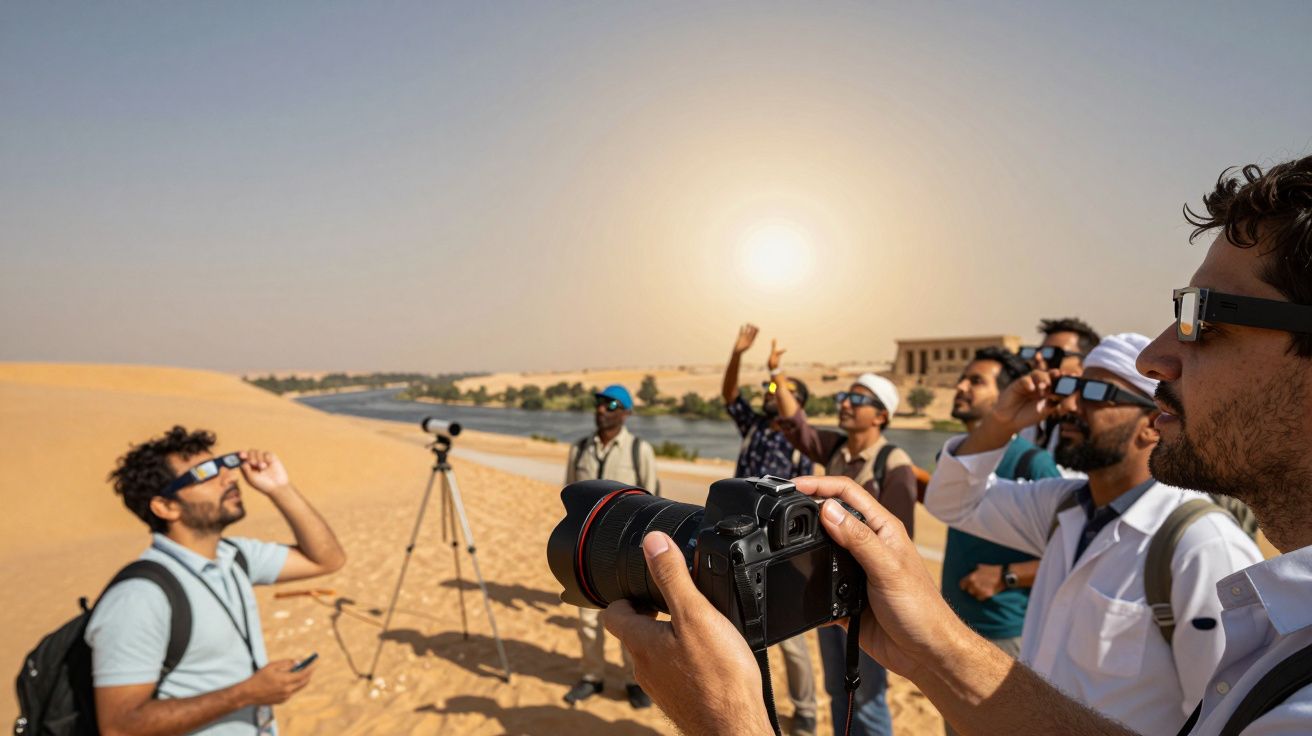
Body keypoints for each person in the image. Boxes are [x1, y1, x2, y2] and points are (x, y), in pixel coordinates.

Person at [600, 155, 1312, 736]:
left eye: (1202, 321)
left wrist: (731, 723)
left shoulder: (1201, 549)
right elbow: (956, 496)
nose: (1160, 357)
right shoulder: (1073, 509)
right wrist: (935, 646)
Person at [922, 333, 1262, 733]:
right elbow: (951, 502)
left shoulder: (1200, 546)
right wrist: (1000, 422)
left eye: (1095, 393)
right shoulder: (1065, 508)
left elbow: (1225, 718)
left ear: (1154, 425)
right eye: (1072, 388)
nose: (1069, 406)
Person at [87, 426, 346, 736]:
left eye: (225, 465)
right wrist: (246, 694)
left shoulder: (234, 556)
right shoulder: (140, 596)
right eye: (206, 473)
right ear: (166, 506)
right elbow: (120, 726)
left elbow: (327, 559)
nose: (230, 477)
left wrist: (279, 488)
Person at [773, 370, 917, 736]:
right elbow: (796, 425)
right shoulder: (838, 449)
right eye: (845, 397)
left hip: (868, 605)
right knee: (838, 690)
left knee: (866, 698)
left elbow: (899, 548)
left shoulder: (893, 464)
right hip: (829, 594)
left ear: (881, 415)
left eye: (859, 400)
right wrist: (777, 376)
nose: (847, 404)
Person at [938, 347, 1060, 736]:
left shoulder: (1033, 462)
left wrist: (1006, 576)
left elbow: (1069, 552)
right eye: (963, 378)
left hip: (1004, 634)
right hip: (954, 625)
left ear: (1007, 395)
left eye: (976, 381)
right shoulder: (960, 456)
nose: (962, 386)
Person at [722, 324, 819, 736]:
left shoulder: (803, 442)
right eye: (768, 388)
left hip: (779, 547)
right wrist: (737, 353)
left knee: (791, 637)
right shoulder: (755, 428)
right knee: (742, 632)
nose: (769, 393)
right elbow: (729, 395)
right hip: (740, 538)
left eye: (777, 389)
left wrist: (775, 370)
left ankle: (806, 712)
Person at [562, 384, 660, 709]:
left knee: (628, 622)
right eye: (599, 403)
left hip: (624, 556)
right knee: (587, 622)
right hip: (584, 555)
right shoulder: (578, 450)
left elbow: (653, 504)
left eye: (611, 404)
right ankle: (592, 677)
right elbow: (569, 500)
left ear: (626, 411)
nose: (602, 409)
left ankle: (635, 682)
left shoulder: (639, 451)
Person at [1018, 318, 1101, 458]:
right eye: (1038, 352)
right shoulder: (1029, 415)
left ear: (1086, 364)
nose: (1038, 359)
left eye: (1053, 354)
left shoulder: (1093, 424)